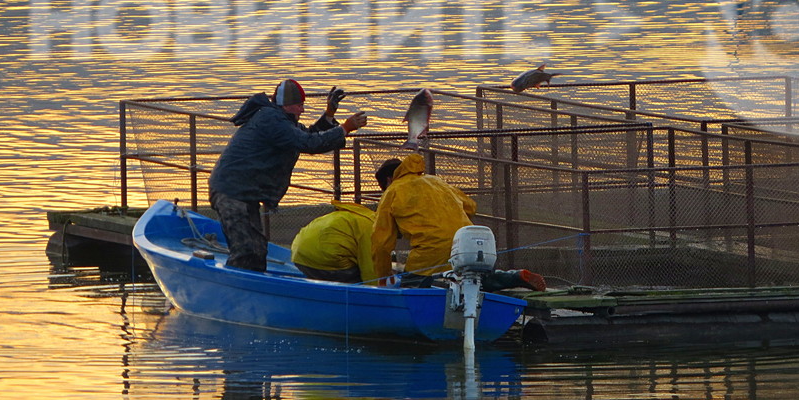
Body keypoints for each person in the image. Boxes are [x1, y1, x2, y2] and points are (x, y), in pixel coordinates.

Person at [208, 79, 367, 272]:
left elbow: (308, 135)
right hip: (231, 191)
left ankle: (254, 289)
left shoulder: (280, 120)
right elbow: (310, 143)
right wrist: (344, 128)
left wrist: (329, 114)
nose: (302, 110)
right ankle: (232, 289)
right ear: (286, 105)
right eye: (299, 105)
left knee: (257, 249)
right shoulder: (271, 120)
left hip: (243, 192)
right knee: (246, 251)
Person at [371, 154, 546, 291]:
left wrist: (383, 276)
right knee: (476, 277)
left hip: (430, 254)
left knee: (411, 284)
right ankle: (514, 277)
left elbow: (381, 244)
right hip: (466, 244)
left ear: (388, 180)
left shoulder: (392, 191)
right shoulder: (436, 181)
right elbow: (470, 206)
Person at [290, 200, 378, 284]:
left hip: (299, 256)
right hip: (326, 261)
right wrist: (377, 290)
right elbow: (370, 268)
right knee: (361, 273)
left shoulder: (356, 216)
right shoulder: (372, 227)